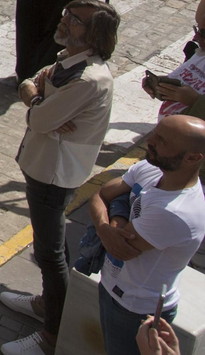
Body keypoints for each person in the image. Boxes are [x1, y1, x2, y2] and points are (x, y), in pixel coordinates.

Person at [0, 0, 119, 355]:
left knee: (50, 254)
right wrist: (34, 95)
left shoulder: (88, 79)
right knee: (51, 249)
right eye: (66, 13)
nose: (65, 20)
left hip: (54, 172)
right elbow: (34, 86)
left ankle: (52, 335)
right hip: (44, 161)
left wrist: (35, 101)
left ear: (94, 34)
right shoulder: (69, 61)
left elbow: (38, 116)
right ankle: (47, 305)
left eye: (76, 20)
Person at [87, 114, 205, 355]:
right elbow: (98, 195)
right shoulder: (151, 168)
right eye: (155, 133)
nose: (150, 141)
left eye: (161, 140)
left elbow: (119, 246)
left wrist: (114, 211)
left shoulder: (175, 212)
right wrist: (106, 226)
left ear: (192, 158)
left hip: (136, 310)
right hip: (113, 289)